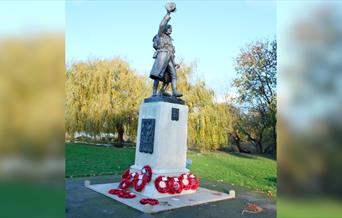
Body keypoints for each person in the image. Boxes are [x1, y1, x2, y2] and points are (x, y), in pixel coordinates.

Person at [149, 4, 182, 98]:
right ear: (165, 29)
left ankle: (175, 91)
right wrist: (168, 13)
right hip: (162, 56)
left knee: (173, 75)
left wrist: (175, 63)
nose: (171, 30)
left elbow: (172, 53)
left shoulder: (170, 40)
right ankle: (154, 92)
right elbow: (161, 24)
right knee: (157, 76)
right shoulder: (160, 35)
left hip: (170, 58)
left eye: (171, 29)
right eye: (169, 28)